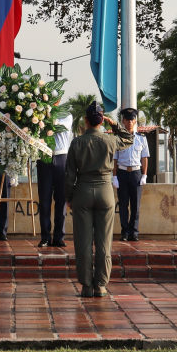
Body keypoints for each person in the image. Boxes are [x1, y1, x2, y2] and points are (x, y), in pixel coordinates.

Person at [66, 101, 134, 297]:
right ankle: (101, 285)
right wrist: (114, 125)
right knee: (104, 242)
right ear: (101, 121)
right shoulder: (110, 140)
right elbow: (129, 138)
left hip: (83, 191)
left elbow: (70, 175)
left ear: (86, 121)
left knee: (84, 242)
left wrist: (68, 197)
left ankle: (87, 285)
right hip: (105, 191)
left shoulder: (77, 142)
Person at [37, 108, 74, 247]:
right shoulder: (38, 113)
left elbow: (58, 127)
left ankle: (59, 236)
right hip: (43, 157)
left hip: (61, 157)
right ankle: (45, 236)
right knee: (44, 199)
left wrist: (45, 119)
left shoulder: (67, 115)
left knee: (61, 199)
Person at [112, 107, 149, 242]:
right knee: (123, 205)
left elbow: (144, 158)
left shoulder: (141, 139)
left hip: (136, 173)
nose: (129, 122)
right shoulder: (118, 139)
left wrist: (144, 175)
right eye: (127, 120)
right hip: (122, 172)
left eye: (132, 119)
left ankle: (134, 232)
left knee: (135, 205)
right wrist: (114, 176)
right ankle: (125, 232)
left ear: (135, 121)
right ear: (123, 121)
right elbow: (114, 159)